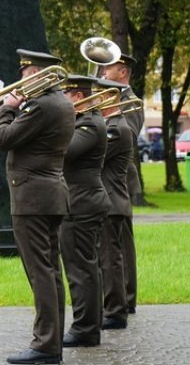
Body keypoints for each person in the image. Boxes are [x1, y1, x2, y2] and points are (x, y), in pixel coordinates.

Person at [0, 49, 75, 365]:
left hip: (32, 197)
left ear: (38, 74)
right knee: (51, 271)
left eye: (26, 73)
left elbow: (3, 139)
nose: (21, 79)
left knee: (40, 272)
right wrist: (15, 111)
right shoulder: (60, 102)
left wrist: (6, 109)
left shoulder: (41, 105)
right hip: (50, 195)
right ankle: (51, 344)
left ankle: (44, 345)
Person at [59, 75, 111, 347]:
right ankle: (87, 326)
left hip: (83, 203)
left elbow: (63, 150)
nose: (61, 102)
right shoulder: (83, 121)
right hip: (80, 201)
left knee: (82, 269)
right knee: (83, 267)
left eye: (64, 96)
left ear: (77, 96)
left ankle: (85, 329)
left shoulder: (89, 123)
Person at [100, 53, 143, 314]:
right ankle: (114, 294)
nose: (103, 71)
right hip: (104, 179)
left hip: (120, 178)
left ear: (123, 72)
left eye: (109, 67)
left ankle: (127, 297)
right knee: (110, 244)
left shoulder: (132, 102)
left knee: (122, 243)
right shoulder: (105, 96)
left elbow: (129, 135)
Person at [95, 78, 134, 330]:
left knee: (110, 260)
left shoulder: (117, 128)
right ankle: (110, 308)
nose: (95, 100)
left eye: (99, 96)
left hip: (112, 202)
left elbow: (93, 154)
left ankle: (116, 311)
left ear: (110, 98)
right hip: (109, 200)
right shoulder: (111, 125)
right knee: (106, 258)